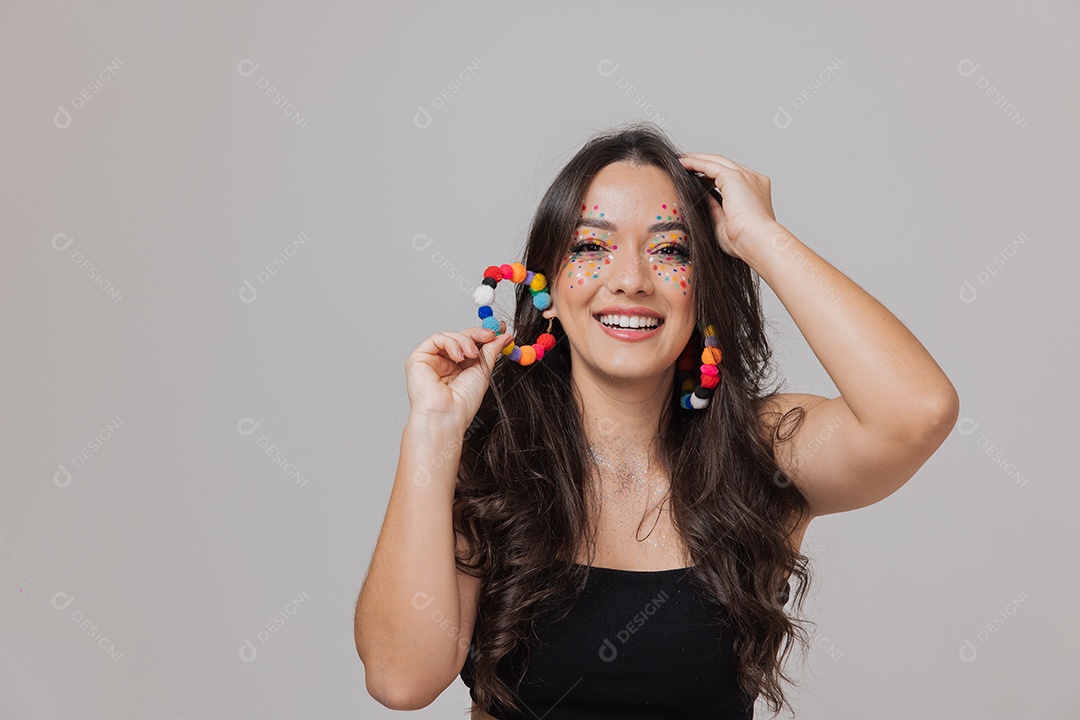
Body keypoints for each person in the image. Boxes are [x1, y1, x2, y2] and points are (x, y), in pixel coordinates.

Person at [353, 123, 959, 719]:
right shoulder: (487, 459)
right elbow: (400, 679)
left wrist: (761, 237)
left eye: (670, 250)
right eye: (591, 247)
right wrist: (432, 431)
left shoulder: (763, 451)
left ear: (704, 286)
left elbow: (917, 412)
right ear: (547, 285)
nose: (631, 281)